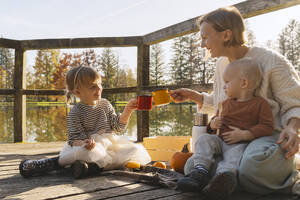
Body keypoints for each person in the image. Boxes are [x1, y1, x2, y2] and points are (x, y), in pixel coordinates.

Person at [170, 6, 300, 195]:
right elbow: (224, 101)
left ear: (226, 35)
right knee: (191, 164)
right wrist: (195, 96)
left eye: (205, 37)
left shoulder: (272, 61)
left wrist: (292, 127)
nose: (202, 44)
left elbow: (294, 102)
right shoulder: (221, 64)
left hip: (265, 139)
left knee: (255, 165)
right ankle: (230, 177)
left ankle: (229, 175)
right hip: (230, 140)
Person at [19, 66, 151, 179]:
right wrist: (85, 144)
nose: (98, 88)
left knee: (135, 149)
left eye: (99, 84)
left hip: (109, 146)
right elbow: (74, 139)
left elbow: (118, 127)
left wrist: (127, 110)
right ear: (77, 92)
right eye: (93, 86)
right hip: (88, 146)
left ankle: (86, 168)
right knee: (84, 153)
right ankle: (48, 164)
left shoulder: (105, 104)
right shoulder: (75, 112)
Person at [177, 58, 274, 199]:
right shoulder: (225, 104)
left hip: (239, 143)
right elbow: (211, 128)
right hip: (219, 140)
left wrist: (245, 134)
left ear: (244, 83)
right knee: (204, 139)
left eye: (227, 82)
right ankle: (200, 172)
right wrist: (212, 124)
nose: (224, 87)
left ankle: (221, 181)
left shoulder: (260, 104)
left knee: (234, 156)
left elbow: (267, 127)